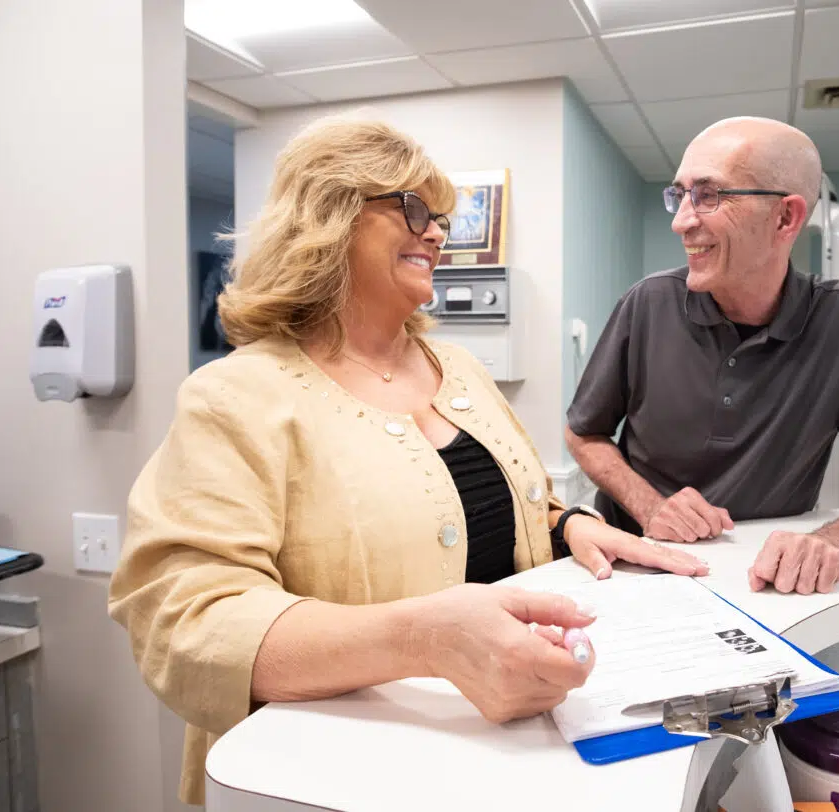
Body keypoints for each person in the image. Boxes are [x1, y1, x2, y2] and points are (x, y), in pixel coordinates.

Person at [107, 115, 707, 807]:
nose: (436, 232)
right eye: (414, 209)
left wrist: (568, 523)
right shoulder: (236, 396)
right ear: (328, 216)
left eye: (442, 217)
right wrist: (423, 639)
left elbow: (495, 501)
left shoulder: (457, 369)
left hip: (497, 756)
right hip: (332, 778)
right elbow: (184, 621)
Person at [566, 116, 839, 598]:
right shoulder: (647, 305)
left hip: (762, 582)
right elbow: (582, 434)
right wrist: (650, 505)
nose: (681, 220)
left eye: (708, 195)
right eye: (679, 195)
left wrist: (832, 541)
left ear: (785, 218)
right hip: (633, 565)